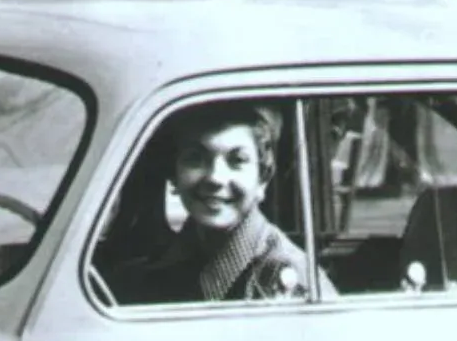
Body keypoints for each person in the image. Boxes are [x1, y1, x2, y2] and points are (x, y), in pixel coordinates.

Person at [103, 101, 334, 306]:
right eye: (195, 158)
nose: (215, 177)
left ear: (262, 179)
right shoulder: (158, 266)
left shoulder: (294, 284)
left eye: (237, 161)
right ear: (174, 175)